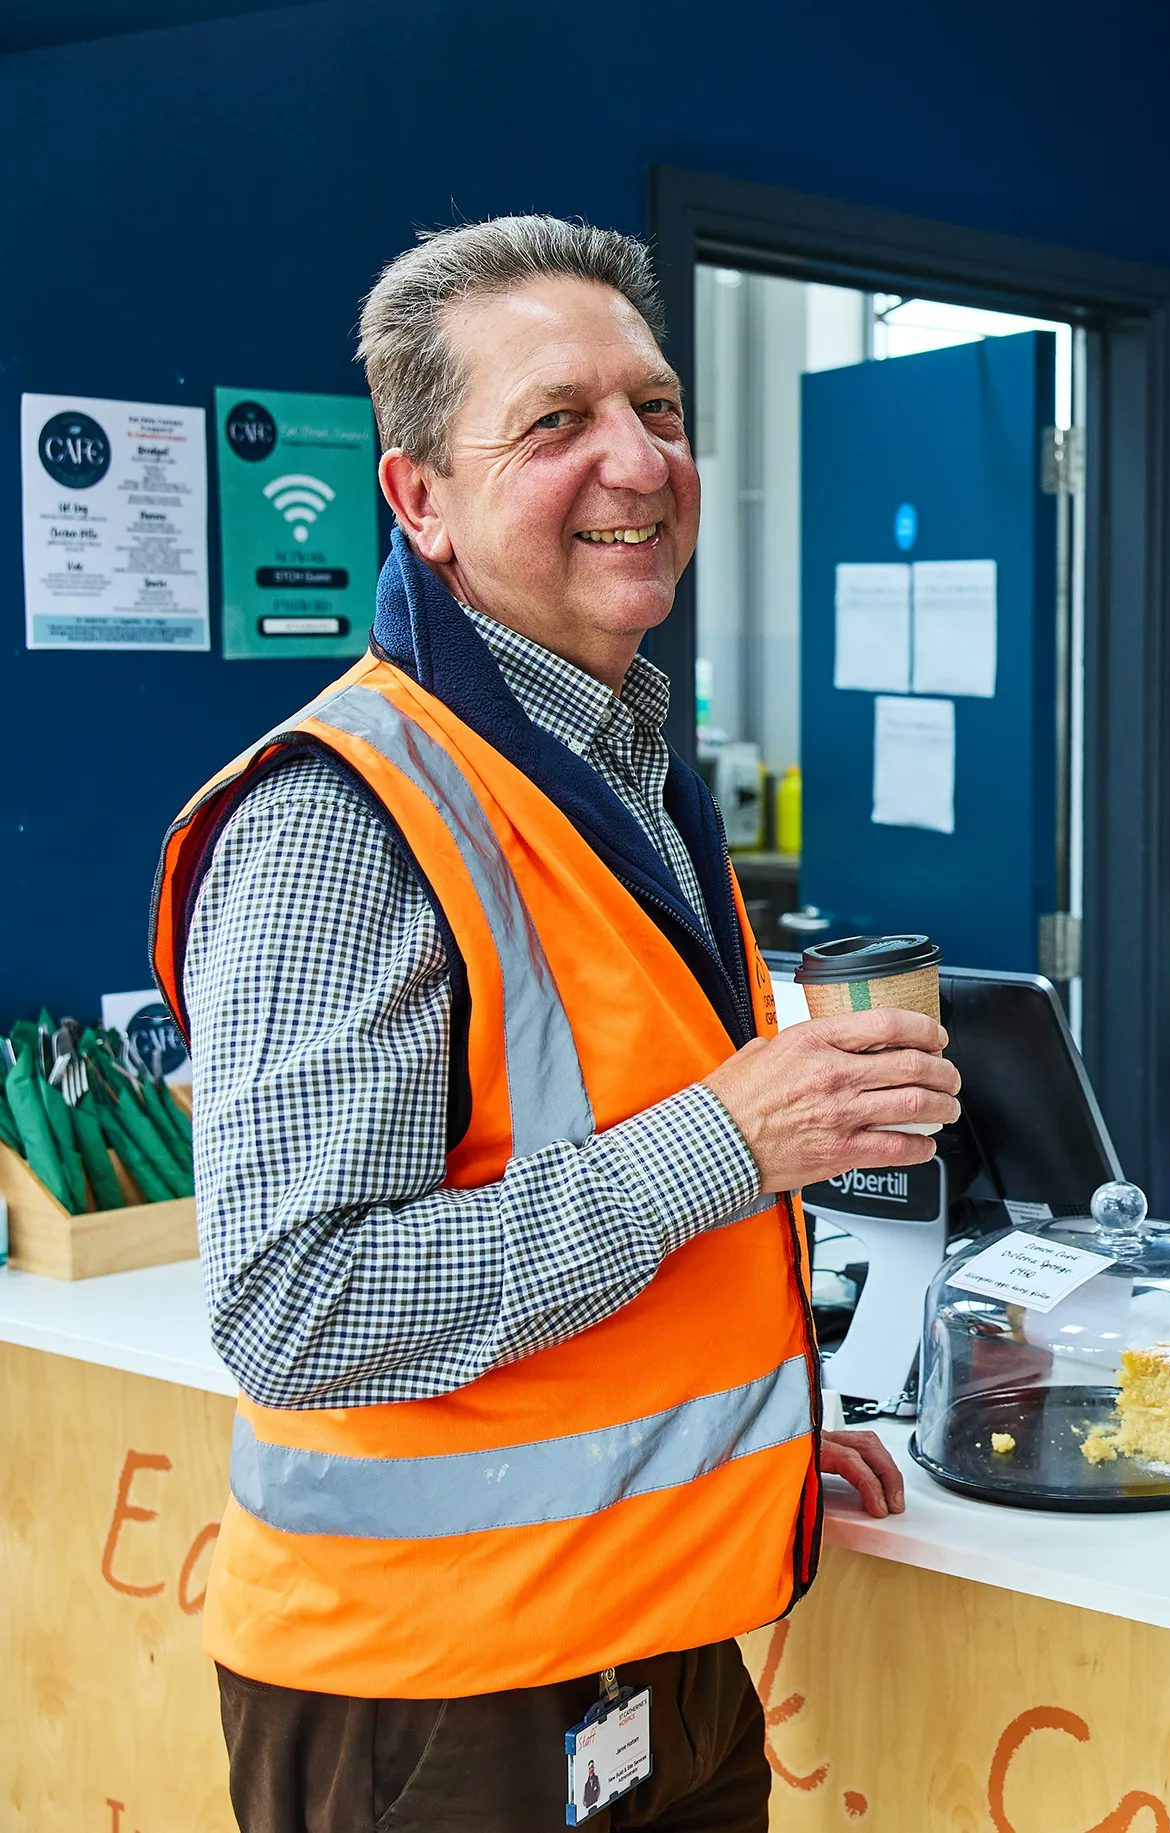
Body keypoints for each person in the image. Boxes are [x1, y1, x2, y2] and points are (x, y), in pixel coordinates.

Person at [151, 216, 959, 1832]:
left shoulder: (623, 768)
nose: (636, 460)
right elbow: (294, 1303)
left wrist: (767, 1434)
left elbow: (586, 1199)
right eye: (556, 421)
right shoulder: (343, 814)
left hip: (650, 1638)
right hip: (435, 1702)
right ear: (419, 499)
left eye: (657, 409)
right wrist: (728, 1141)